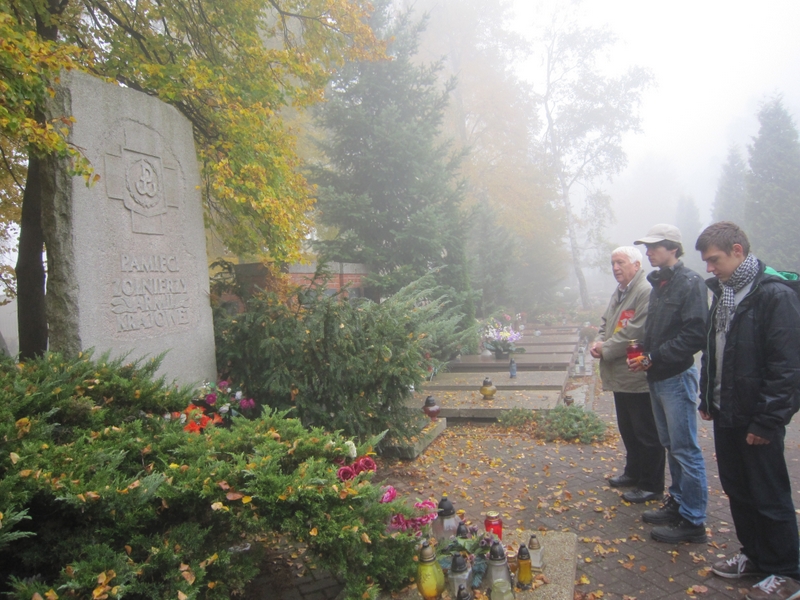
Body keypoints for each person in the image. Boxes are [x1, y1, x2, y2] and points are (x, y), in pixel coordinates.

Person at [695, 222, 800, 600]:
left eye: (714, 260)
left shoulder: (774, 295)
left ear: (737, 250)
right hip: (728, 413)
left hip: (757, 418)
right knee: (739, 491)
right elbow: (714, 350)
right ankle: (755, 556)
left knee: (769, 495)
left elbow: (787, 367)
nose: (709, 268)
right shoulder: (724, 293)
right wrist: (709, 398)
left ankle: (788, 571)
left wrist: (768, 419)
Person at [629, 224, 709, 543]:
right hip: (658, 376)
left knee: (685, 449)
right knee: (671, 446)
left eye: (654, 247)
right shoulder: (661, 283)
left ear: (673, 248)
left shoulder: (690, 284)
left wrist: (653, 357)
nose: (648, 252)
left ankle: (694, 520)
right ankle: (677, 503)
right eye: (646, 247)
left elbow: (693, 335)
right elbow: (660, 330)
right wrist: (644, 355)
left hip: (676, 376)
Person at [591, 246, 665, 503]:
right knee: (628, 429)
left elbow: (636, 329)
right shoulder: (621, 291)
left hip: (635, 373)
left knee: (645, 432)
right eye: (613, 263)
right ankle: (633, 472)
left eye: (620, 263)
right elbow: (606, 322)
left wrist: (606, 348)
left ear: (636, 264)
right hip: (620, 374)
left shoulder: (644, 290)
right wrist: (598, 341)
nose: (615, 268)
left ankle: (652, 484)